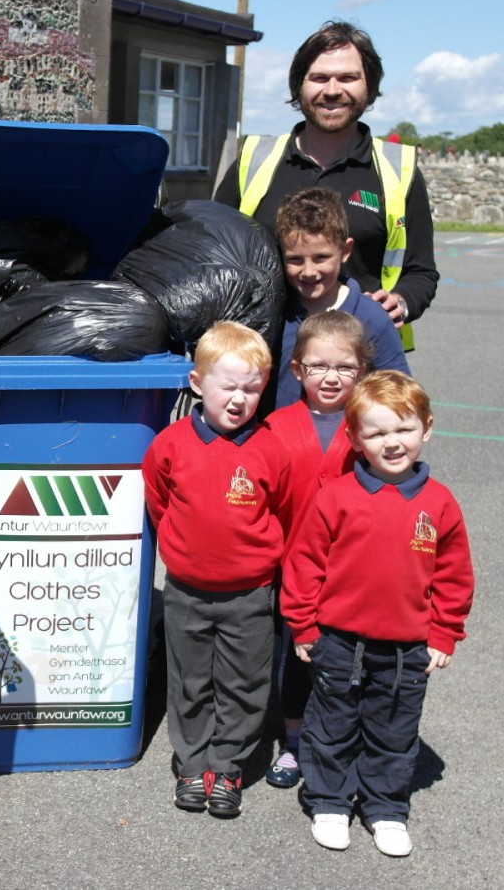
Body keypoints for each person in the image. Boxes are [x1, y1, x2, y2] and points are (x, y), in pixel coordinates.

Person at [280, 371, 475, 857]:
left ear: (426, 429)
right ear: (355, 439)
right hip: (338, 641)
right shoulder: (337, 497)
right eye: (377, 432)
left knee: (394, 731)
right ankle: (329, 799)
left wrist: (444, 633)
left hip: (407, 648)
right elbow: (305, 564)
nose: (392, 443)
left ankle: (386, 808)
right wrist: (304, 625)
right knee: (331, 725)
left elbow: (454, 576)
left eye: (404, 429)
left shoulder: (439, 504)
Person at [214, 20, 439, 352]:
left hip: (359, 362)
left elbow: (421, 272)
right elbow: (209, 253)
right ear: (299, 86)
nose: (333, 90)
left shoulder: (399, 168)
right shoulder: (254, 159)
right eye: (319, 77)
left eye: (348, 78)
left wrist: (402, 301)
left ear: (370, 87)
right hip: (258, 361)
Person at [142, 321, 291, 819]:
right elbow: (160, 503)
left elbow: (286, 514)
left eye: (251, 388)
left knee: (244, 684)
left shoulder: (272, 449)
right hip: (185, 589)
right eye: (227, 386)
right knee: (189, 681)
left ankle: (226, 767)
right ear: (196, 383)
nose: (238, 399)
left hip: (250, 594)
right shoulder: (170, 445)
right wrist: (184, 551)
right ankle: (191, 764)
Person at [259, 310, 370, 791]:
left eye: (344, 367)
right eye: (319, 366)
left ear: (362, 371)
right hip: (292, 568)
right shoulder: (276, 426)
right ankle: (294, 740)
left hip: (353, 569)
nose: (331, 377)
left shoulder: (370, 428)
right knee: (294, 655)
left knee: (352, 658)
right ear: (298, 369)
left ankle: (345, 738)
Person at [271, 187, 408, 412]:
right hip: (279, 443)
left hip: (349, 445)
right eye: (295, 259)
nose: (308, 271)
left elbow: (399, 398)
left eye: (321, 258)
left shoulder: (372, 319)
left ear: (345, 250)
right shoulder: (272, 313)